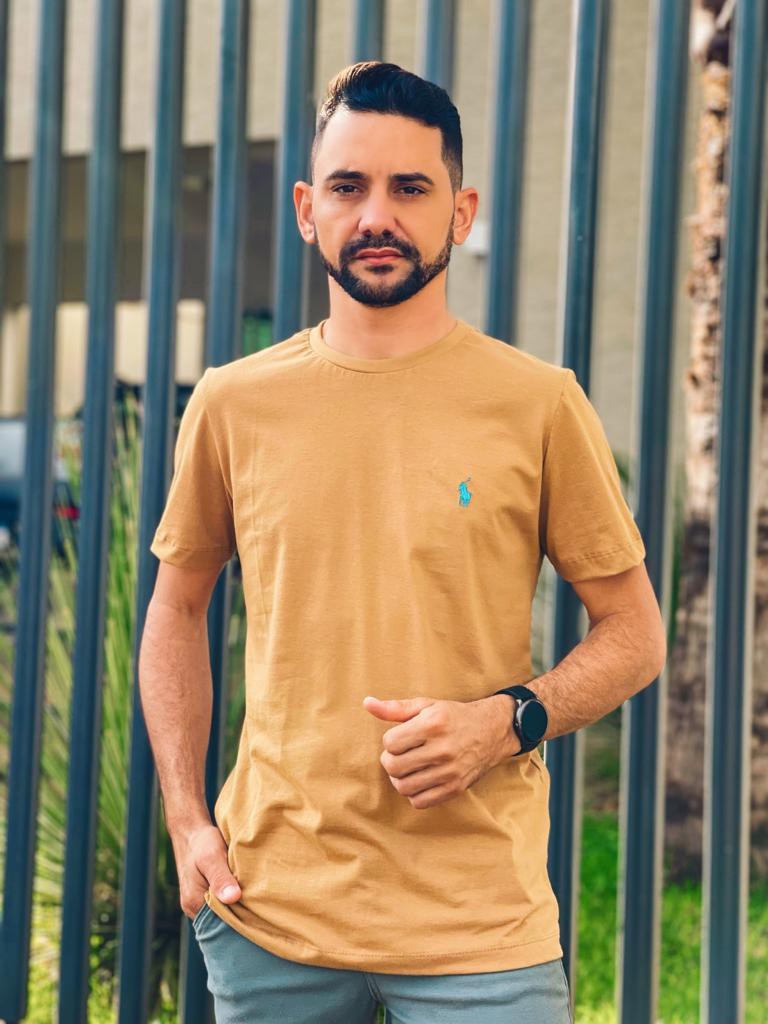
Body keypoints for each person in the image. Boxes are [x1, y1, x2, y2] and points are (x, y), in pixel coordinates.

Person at [140, 60, 666, 1024]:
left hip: (480, 928)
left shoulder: (538, 403)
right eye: (349, 187)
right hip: (270, 915)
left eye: (410, 188)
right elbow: (176, 610)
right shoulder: (232, 403)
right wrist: (186, 820)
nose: (377, 215)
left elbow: (635, 633)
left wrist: (505, 722)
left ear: (460, 213)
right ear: (308, 210)